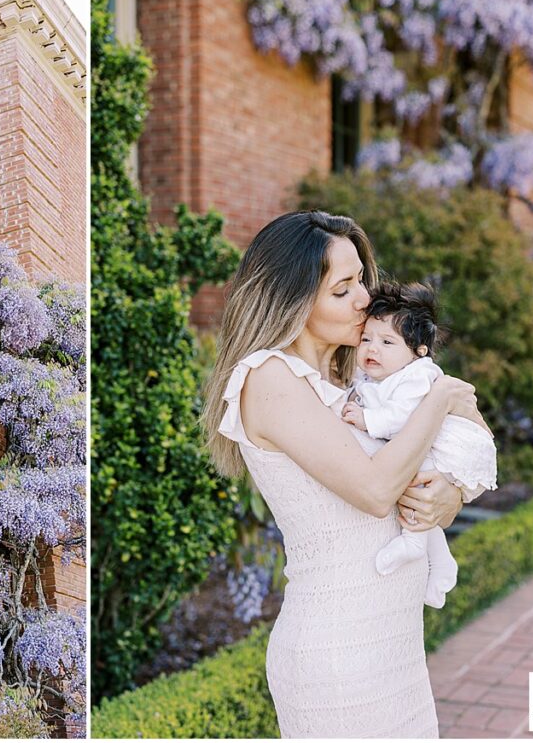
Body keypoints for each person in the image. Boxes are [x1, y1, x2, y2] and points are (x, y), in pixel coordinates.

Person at [201, 210, 489, 738]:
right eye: (343, 289)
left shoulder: (354, 370)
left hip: (395, 644)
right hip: (339, 656)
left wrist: (453, 491)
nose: (364, 299)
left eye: (362, 280)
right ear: (293, 300)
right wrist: (439, 398)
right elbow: (377, 490)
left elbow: (470, 426)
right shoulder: (268, 377)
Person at [343, 282, 497, 609]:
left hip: (448, 448)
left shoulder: (418, 376)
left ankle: (414, 543)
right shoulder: (377, 375)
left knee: (416, 479)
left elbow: (403, 420)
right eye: (367, 339)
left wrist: (366, 420)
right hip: (429, 442)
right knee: (416, 484)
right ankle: (441, 561)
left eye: (387, 342)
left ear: (419, 351)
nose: (372, 349)